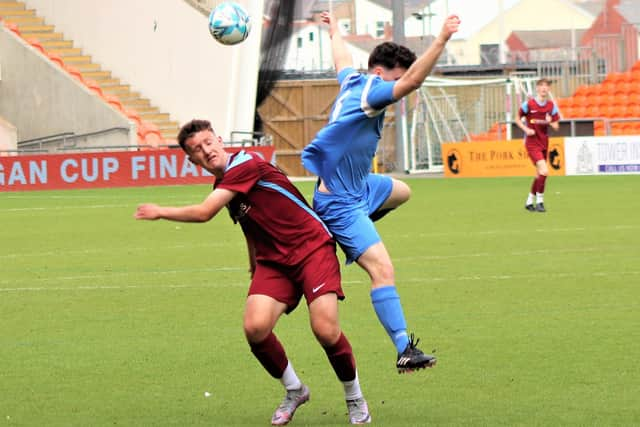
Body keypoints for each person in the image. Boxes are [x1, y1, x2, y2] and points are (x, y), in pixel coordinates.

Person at [134, 119, 370, 425]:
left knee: (325, 329)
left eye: (208, 143)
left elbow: (206, 213)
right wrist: (254, 263)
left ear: (219, 140)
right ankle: (295, 389)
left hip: (312, 248)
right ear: (191, 160)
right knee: (255, 328)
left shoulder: (245, 164)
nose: (206, 151)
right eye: (197, 150)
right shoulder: (223, 184)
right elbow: (250, 223)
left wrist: (161, 211)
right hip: (274, 261)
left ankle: (354, 397)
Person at [301, 13, 460, 373]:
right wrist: (442, 39)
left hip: (359, 188)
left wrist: (333, 30)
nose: (397, 85)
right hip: (340, 202)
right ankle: (405, 349)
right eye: (395, 77)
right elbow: (415, 82)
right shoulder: (371, 92)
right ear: (379, 74)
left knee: (402, 191)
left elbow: (341, 59)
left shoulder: (352, 82)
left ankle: (354, 232)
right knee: (383, 271)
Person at [515, 78, 560, 213]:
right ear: (537, 89)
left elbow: (556, 126)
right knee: (545, 171)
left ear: (549, 89)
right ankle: (540, 201)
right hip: (532, 142)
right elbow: (517, 119)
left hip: (544, 142)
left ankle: (529, 201)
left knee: (539, 174)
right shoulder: (528, 104)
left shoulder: (551, 106)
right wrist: (526, 129)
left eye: (546, 86)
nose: (544, 88)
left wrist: (549, 121)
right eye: (541, 86)